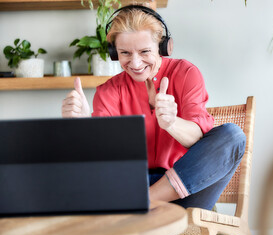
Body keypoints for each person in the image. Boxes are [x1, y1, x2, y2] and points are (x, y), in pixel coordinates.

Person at [61, 5, 246, 210]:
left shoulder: (186, 73)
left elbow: (198, 138)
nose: (135, 62)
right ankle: (140, 201)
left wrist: (172, 123)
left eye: (144, 51)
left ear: (162, 46)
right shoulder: (109, 91)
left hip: (186, 190)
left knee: (233, 136)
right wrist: (82, 125)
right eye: (125, 53)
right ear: (115, 53)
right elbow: (103, 156)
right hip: (133, 185)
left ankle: (145, 202)